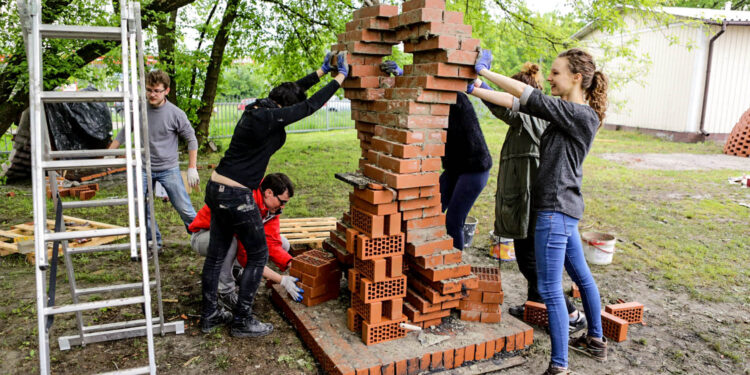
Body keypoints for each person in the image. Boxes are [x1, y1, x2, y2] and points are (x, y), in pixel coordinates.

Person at [468, 48, 609, 375]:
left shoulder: (581, 115)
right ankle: (596, 340)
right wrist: (475, 90)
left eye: (556, 72)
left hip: (554, 209)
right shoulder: (569, 112)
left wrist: (485, 72)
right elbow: (519, 104)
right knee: (582, 277)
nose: (549, 77)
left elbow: (527, 94)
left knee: (547, 288)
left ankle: (559, 366)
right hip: (565, 209)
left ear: (576, 78)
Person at [201, 52, 348, 338]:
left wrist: (320, 71)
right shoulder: (268, 118)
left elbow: (293, 92)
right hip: (235, 195)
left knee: (216, 257)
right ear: (284, 109)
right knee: (257, 256)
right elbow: (308, 106)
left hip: (216, 187)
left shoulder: (260, 107)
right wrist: (340, 79)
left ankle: (210, 315)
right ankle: (242, 320)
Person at [472, 64, 586, 334]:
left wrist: (480, 86)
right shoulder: (531, 114)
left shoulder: (536, 114)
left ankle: (571, 314)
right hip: (528, 197)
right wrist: (477, 88)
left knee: (530, 260)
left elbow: (508, 105)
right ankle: (536, 306)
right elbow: (504, 107)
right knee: (532, 257)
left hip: (535, 198)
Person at [380, 61, 492, 250]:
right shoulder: (436, 97)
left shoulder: (456, 99)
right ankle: (430, 256)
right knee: (429, 209)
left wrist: (402, 76)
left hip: (474, 170)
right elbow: (420, 92)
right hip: (454, 168)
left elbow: (424, 92)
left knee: (453, 220)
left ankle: (454, 267)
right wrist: (401, 75)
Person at [108, 70, 199, 247]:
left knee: (184, 207)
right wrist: (108, 154)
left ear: (166, 91)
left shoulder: (176, 113)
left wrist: (192, 167)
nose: (152, 94)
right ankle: (153, 242)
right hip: (142, 168)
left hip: (168, 168)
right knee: (140, 208)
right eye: (149, 90)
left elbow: (191, 139)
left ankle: (202, 238)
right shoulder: (140, 110)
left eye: (157, 90)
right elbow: (124, 132)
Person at [189, 173, 303, 308]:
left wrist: (292, 264)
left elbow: (272, 242)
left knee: (283, 243)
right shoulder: (246, 203)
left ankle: (236, 271)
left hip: (234, 237)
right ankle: (225, 291)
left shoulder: (270, 208)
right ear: (268, 193)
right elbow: (247, 255)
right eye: (282, 201)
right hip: (203, 236)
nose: (283, 206)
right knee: (230, 242)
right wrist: (281, 280)